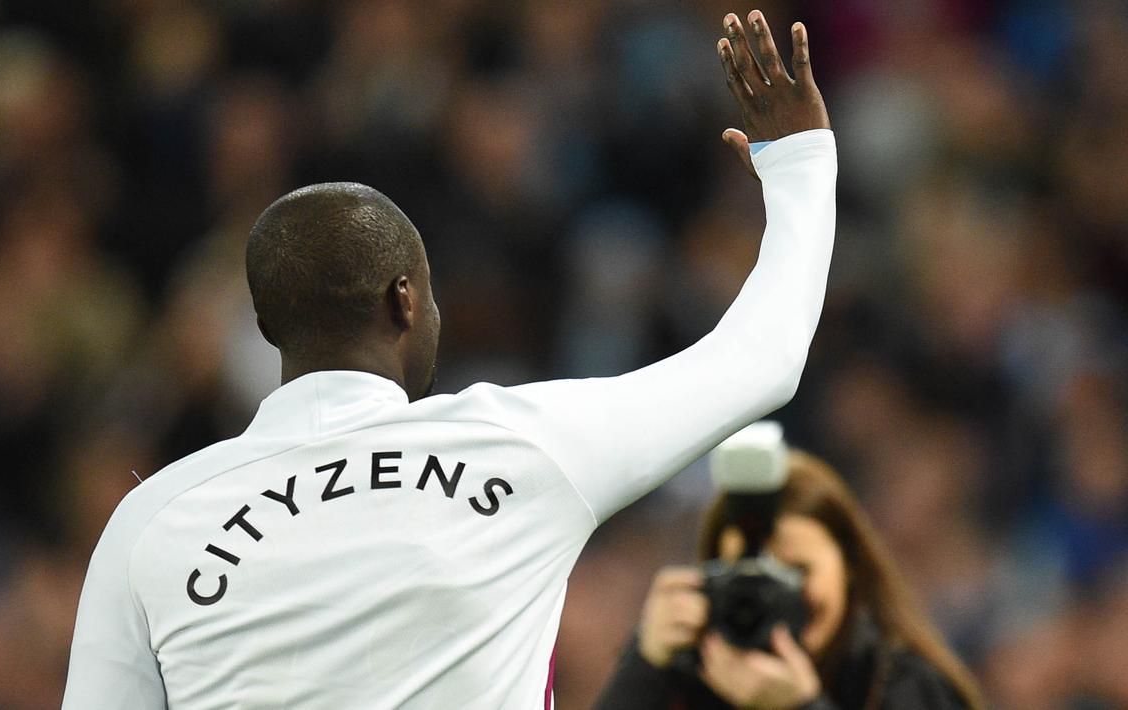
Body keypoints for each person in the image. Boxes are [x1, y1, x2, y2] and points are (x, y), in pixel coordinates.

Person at [63, 10, 836, 709]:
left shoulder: (151, 524)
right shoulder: (522, 449)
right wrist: (798, 160)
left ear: (267, 325)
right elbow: (761, 357)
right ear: (405, 301)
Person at [593, 450, 986, 710]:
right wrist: (644, 666)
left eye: (796, 571)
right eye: (744, 571)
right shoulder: (692, 678)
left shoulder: (905, 686)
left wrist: (801, 707)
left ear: (849, 565)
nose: (770, 592)